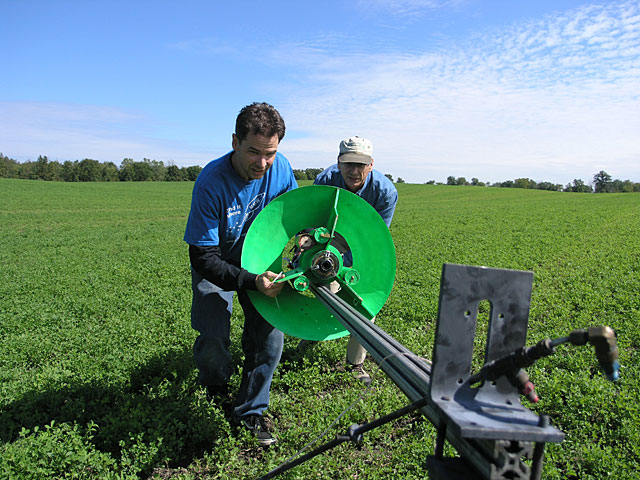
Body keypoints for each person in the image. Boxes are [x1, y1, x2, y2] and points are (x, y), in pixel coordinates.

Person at [183, 102, 297, 447]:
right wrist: (249, 282)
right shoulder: (211, 182)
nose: (262, 163)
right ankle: (216, 385)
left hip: (260, 263)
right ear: (235, 142)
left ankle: (250, 411)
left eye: (270, 153)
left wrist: (305, 237)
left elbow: (294, 216)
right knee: (213, 334)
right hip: (218, 263)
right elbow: (203, 257)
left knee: (269, 338)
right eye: (253, 152)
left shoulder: (281, 170)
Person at [308, 136, 397, 385]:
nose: (354, 171)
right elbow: (313, 218)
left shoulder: (385, 192)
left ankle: (355, 364)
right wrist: (309, 240)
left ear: (371, 165)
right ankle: (312, 335)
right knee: (325, 294)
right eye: (348, 164)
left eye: (360, 165)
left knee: (365, 305)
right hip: (328, 245)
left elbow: (375, 239)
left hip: (364, 252)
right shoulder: (325, 181)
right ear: (339, 163)